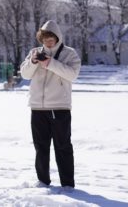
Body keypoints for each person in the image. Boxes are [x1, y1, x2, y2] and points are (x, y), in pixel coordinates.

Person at [20, 20, 81, 189]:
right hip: (37, 108)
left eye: (51, 37)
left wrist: (50, 63)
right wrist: (33, 61)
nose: (48, 41)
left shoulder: (70, 54)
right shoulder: (34, 52)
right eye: (45, 38)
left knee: (63, 147)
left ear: (58, 37)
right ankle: (43, 181)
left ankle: (68, 184)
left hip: (59, 108)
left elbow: (72, 75)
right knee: (41, 147)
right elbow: (25, 74)